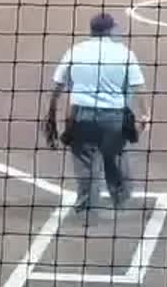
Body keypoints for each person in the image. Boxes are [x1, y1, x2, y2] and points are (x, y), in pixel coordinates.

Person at [43, 12, 149, 220]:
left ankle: (86, 208)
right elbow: (139, 86)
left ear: (92, 30)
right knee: (115, 158)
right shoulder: (124, 53)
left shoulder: (76, 51)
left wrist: (51, 114)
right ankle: (120, 201)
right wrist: (146, 114)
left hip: (81, 117)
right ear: (111, 30)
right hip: (114, 118)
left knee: (84, 160)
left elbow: (58, 86)